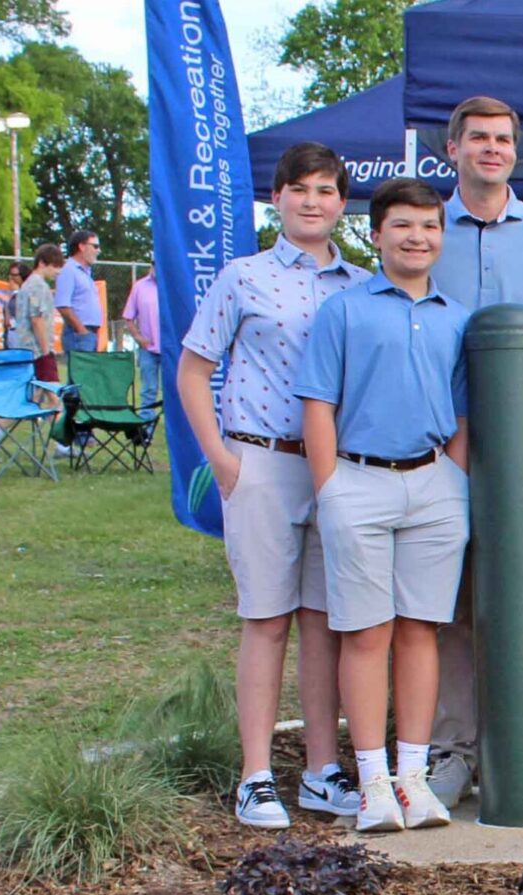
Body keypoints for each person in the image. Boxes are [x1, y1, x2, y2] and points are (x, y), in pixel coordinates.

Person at [178, 143, 371, 828]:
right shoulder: (244, 276)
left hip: (335, 467)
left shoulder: (361, 285)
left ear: (342, 203)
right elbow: (193, 370)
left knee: (324, 623)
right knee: (266, 619)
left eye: (325, 190)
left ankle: (321, 770)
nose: (312, 201)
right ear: (277, 197)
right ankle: (255, 776)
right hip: (261, 459)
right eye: (300, 189)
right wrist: (221, 458)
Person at [295, 177, 472, 833]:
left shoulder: (456, 317)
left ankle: (412, 778)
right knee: (366, 632)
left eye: (429, 226)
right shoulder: (344, 311)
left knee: (421, 629)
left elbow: (462, 411)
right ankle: (372, 781)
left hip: (433, 483)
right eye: (402, 225)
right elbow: (318, 403)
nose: (416, 237)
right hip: (358, 480)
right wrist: (330, 488)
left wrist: (453, 478)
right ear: (375, 235)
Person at [426, 95, 523, 810]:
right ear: (452, 149)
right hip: (437, 443)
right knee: (450, 603)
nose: (491, 148)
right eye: (478, 137)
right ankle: (452, 752)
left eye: (503, 139)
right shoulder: (425, 230)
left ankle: (520, 748)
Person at [6, 244, 62, 381]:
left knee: (37, 389)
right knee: (51, 388)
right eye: (55, 266)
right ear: (42, 263)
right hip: (38, 351)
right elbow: (36, 319)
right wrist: (46, 352)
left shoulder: (27, 284)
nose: (58, 271)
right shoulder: (37, 286)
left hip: (27, 348)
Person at [53, 230, 103, 356]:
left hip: (89, 333)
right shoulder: (69, 270)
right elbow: (62, 305)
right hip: (77, 335)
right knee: (81, 369)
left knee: (90, 369)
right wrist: (81, 330)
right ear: (81, 246)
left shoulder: (85, 272)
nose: (98, 251)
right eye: (95, 246)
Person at [121, 266, 161, 419]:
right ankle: (146, 425)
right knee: (149, 389)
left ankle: (173, 426)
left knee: (172, 389)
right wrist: (138, 337)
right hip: (147, 349)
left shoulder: (172, 284)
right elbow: (128, 317)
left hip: (170, 349)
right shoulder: (139, 286)